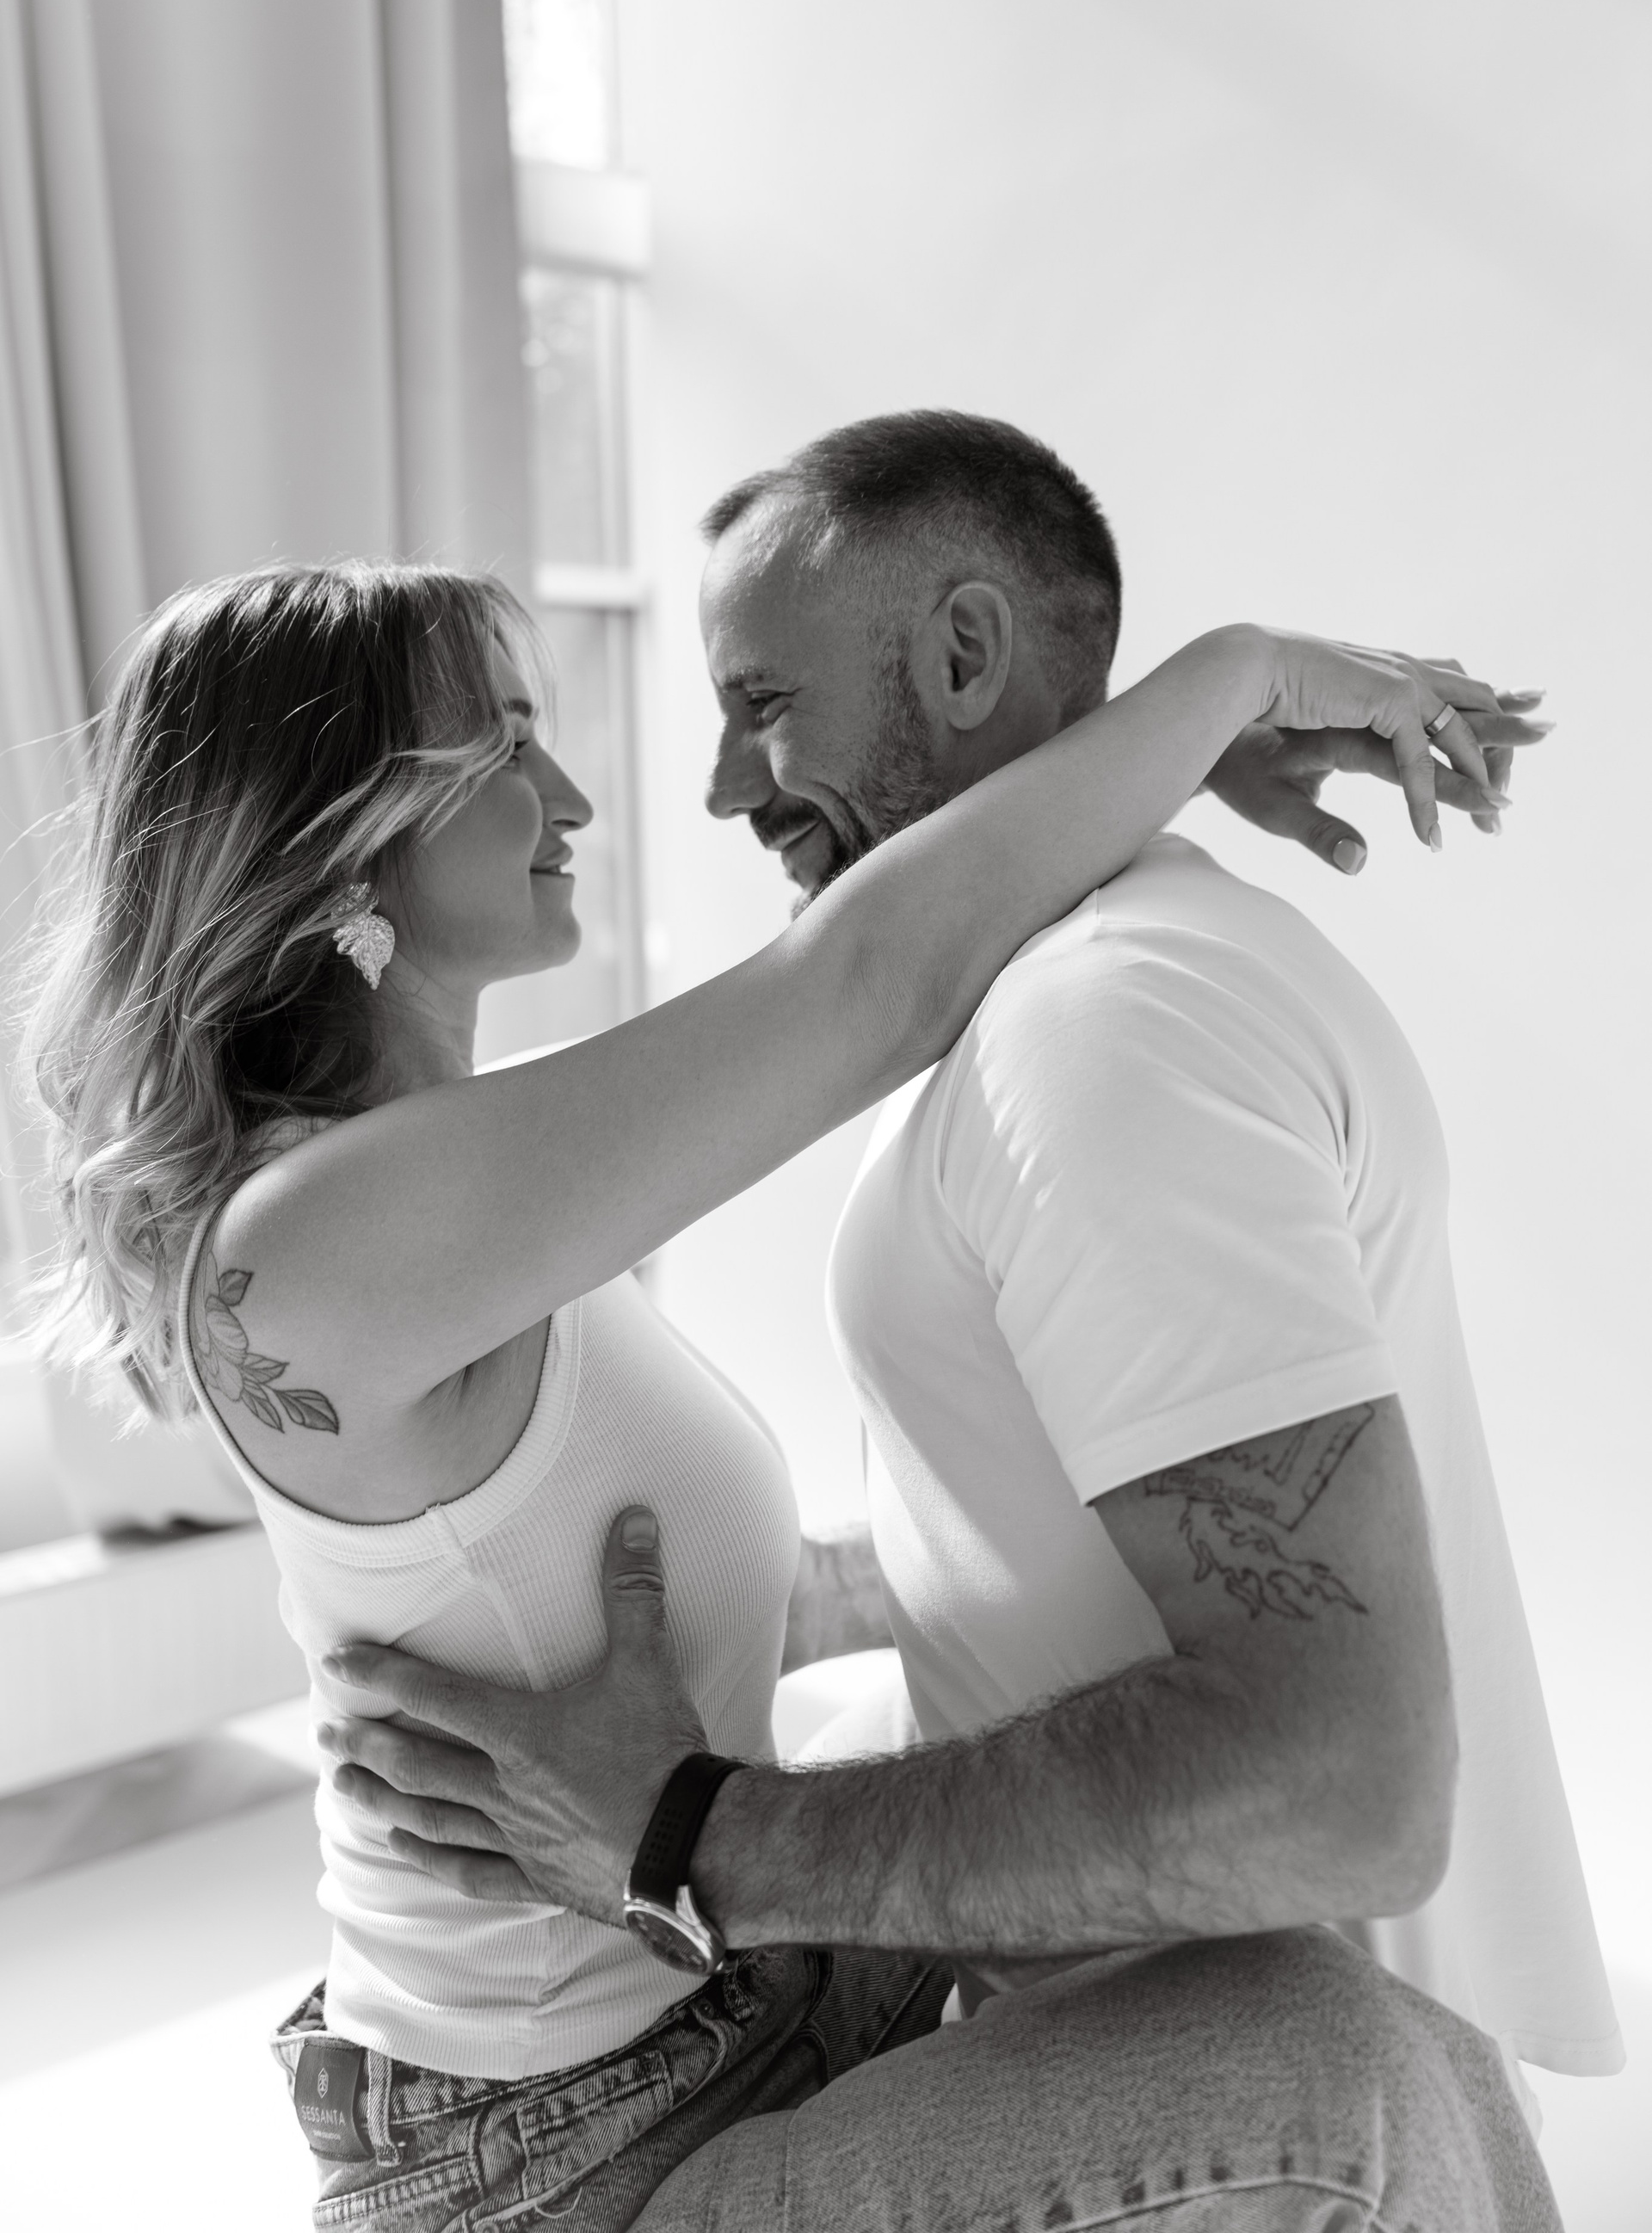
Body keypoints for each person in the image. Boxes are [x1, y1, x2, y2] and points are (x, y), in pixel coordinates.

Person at [25, 552, 1528, 2232]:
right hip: (558, 2164)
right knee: (1335, 2062)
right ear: (334, 831)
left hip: (740, 2003)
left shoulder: (474, 1177)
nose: (569, 793)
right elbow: (866, 981)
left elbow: (731, 1595)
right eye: (504, 745)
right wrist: (1236, 676)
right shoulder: (314, 1251)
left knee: (1096, 1818)